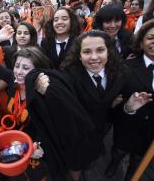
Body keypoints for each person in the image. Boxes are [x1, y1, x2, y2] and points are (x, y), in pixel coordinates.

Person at [0, 25, 94, 181]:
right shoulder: (12, 79)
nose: (19, 72)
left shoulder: (42, 91)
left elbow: (53, 125)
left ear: (37, 70)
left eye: (26, 68)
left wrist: (38, 144)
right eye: (17, 66)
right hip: (16, 140)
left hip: (38, 147)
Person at [59, 30, 152, 181]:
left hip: (101, 128)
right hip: (77, 134)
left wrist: (129, 107)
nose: (94, 57)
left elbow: (117, 115)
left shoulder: (122, 74)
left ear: (109, 51)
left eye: (100, 50)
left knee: (93, 152)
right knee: (76, 163)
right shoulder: (68, 77)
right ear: (79, 56)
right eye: (87, 52)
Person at [107, 20, 154, 181]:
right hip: (126, 126)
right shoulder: (126, 67)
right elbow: (112, 102)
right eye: (151, 37)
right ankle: (113, 164)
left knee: (138, 160)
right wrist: (128, 107)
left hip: (150, 133)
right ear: (141, 42)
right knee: (119, 151)